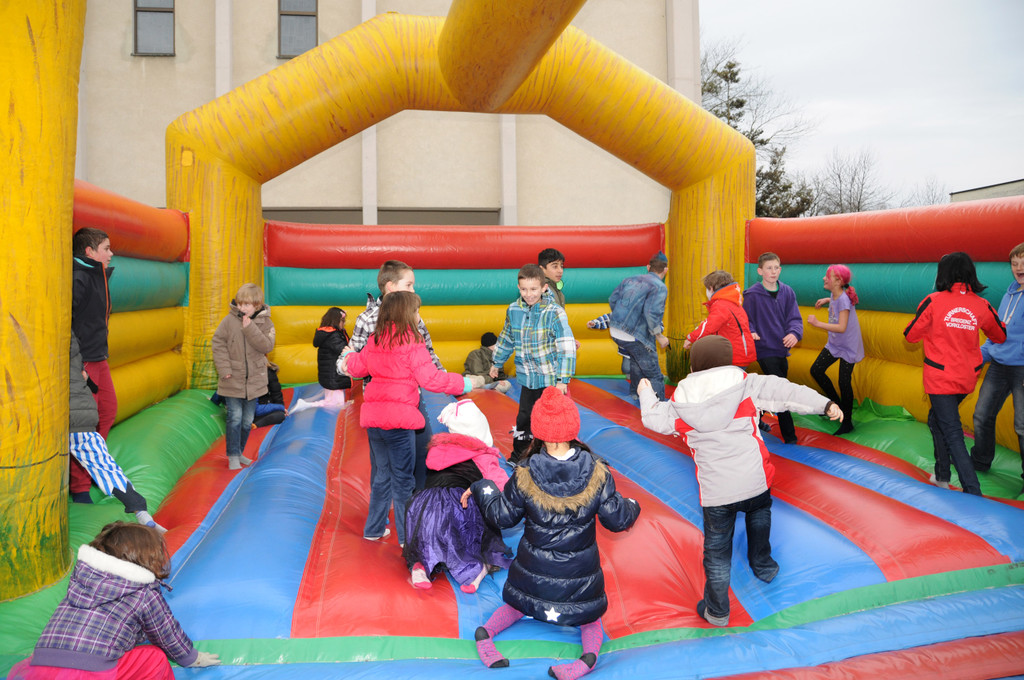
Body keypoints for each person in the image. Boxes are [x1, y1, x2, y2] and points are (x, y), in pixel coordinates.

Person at [638, 335, 842, 628]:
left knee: (717, 553)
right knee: (760, 517)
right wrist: (825, 404)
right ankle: (763, 564)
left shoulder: (681, 405)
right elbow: (788, 393)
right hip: (755, 481)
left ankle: (717, 610)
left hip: (717, 493)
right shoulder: (747, 385)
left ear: (694, 368)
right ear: (727, 362)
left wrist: (646, 391)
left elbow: (652, 418)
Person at [464, 387, 640, 678]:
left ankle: (485, 634)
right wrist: (632, 505)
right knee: (589, 616)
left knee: (517, 604)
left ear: (539, 432)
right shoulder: (597, 471)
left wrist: (482, 487)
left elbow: (502, 516)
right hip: (579, 580)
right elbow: (617, 518)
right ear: (573, 428)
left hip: (533, 574)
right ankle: (588, 658)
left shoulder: (525, 472)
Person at [340, 291, 485, 546]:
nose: (419, 316)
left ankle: (373, 528)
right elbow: (431, 379)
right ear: (407, 314)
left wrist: (347, 358)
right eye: (417, 311)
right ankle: (409, 538)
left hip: (375, 421)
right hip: (399, 422)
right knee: (403, 480)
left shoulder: (375, 340)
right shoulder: (412, 343)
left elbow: (357, 368)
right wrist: (464, 381)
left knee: (382, 474)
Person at [7, 522, 220, 680]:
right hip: (91, 670)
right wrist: (191, 658)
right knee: (154, 658)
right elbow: (167, 633)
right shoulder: (143, 592)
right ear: (150, 558)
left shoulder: (82, 579)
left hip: (42, 664)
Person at [904, 252, 1006, 495]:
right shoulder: (981, 305)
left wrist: (933, 328)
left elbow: (910, 335)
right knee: (936, 420)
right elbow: (1000, 336)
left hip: (940, 378)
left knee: (952, 431)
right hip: (966, 378)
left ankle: (972, 491)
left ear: (943, 274)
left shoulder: (933, 300)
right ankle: (942, 475)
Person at [348, 260, 443, 490]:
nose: (413, 290)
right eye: (409, 285)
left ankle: (420, 500)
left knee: (422, 447)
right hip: (381, 401)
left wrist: (442, 377)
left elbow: (427, 351)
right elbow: (357, 360)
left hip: (411, 396)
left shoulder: (413, 315)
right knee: (382, 462)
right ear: (390, 287)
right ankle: (381, 512)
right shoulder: (368, 319)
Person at [403, 399, 512, 593]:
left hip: (423, 507)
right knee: (478, 521)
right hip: (458, 506)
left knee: (427, 540)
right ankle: (476, 569)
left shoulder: (438, 450)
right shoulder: (481, 455)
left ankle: (420, 566)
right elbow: (499, 483)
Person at [67, 334, 165, 532]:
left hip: (70, 413)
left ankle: (139, 508)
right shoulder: (69, 336)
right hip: (80, 412)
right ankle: (139, 509)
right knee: (102, 462)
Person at [491, 264, 577, 464]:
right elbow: (507, 338)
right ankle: (519, 456)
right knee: (524, 419)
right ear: (518, 288)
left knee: (553, 417)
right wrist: (497, 362)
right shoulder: (514, 310)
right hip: (528, 378)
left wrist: (562, 380)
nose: (528, 294)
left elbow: (566, 346)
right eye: (523, 289)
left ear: (544, 287)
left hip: (550, 378)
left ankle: (557, 456)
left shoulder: (554, 312)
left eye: (533, 289)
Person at [971, 241, 1024, 493]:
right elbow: (996, 333)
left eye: (1023, 262)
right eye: (1014, 264)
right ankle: (980, 461)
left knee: (1022, 426)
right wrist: (978, 356)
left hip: (1022, 368)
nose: (1019, 267)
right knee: (982, 415)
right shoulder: (1009, 293)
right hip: (999, 365)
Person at [70, 228, 117, 501]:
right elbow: (68, 323)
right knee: (86, 422)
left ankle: (93, 469)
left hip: (99, 357)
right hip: (84, 359)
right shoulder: (80, 278)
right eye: (106, 248)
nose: (111, 254)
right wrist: (78, 364)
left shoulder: (97, 275)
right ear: (89, 252)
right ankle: (79, 487)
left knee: (108, 411)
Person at [211, 283, 276, 470]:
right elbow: (218, 343)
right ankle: (232, 455)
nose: (242, 308)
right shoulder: (229, 321)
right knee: (235, 417)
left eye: (246, 304)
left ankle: (239, 452)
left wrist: (250, 328)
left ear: (257, 305)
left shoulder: (266, 323)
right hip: (232, 379)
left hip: (254, 380)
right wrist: (224, 369)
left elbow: (266, 347)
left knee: (248, 421)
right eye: (240, 304)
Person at [743, 252, 805, 444]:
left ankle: (755, 418)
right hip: (764, 348)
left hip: (781, 350)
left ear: (780, 269)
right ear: (760, 271)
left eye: (776, 268)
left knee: (771, 386)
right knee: (780, 388)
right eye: (769, 268)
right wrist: (751, 331)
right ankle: (790, 436)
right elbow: (746, 319)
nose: (773, 271)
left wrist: (794, 333)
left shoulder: (787, 292)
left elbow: (795, 318)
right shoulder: (752, 295)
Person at [807, 264, 864, 436]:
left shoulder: (844, 300)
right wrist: (826, 300)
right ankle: (835, 403)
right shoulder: (836, 293)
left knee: (843, 382)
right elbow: (835, 300)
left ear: (838, 281)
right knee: (816, 370)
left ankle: (847, 421)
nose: (824, 278)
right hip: (835, 344)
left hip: (848, 346)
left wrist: (817, 324)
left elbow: (841, 327)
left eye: (827, 276)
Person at [608, 252, 670, 400]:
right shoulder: (659, 287)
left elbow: (612, 299)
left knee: (637, 360)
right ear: (665, 270)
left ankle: (635, 394)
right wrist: (659, 336)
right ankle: (659, 406)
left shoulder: (630, 279)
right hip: (634, 335)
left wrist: (620, 319)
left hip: (615, 330)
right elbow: (651, 314)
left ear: (648, 267)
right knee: (654, 374)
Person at [684, 270, 758, 369]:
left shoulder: (721, 304)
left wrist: (690, 338)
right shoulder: (732, 302)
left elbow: (709, 326)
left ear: (711, 288)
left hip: (733, 356)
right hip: (739, 354)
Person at [291, 306, 352, 412]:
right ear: (336, 321)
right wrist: (353, 352)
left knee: (333, 400)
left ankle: (307, 404)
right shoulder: (333, 335)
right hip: (334, 376)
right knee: (334, 403)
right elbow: (343, 349)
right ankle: (306, 405)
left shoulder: (329, 334)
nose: (344, 324)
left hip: (330, 375)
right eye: (343, 321)